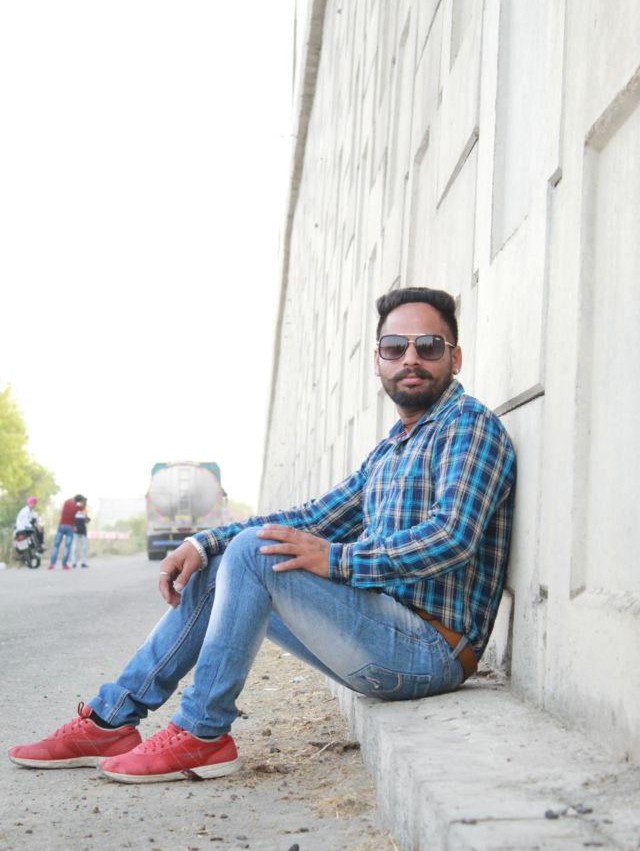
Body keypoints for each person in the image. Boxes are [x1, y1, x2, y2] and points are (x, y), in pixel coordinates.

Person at [8, 287, 516, 784]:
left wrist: (335, 561)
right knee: (223, 560)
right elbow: (311, 518)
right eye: (394, 347)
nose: (410, 358)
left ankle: (202, 732)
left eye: (428, 346)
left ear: (455, 358)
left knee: (252, 553)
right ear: (378, 361)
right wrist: (203, 542)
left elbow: (451, 537)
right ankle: (110, 720)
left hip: (430, 651)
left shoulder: (467, 424)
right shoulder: (391, 450)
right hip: (379, 633)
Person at [49, 495, 86, 570]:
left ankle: (52, 564)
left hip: (62, 526)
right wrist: (83, 501)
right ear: (79, 501)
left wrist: (77, 498)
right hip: (70, 528)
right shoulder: (77, 507)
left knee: (56, 545)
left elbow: (72, 499)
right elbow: (83, 507)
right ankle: (64, 565)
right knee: (67, 546)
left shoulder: (66, 502)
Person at [71, 499, 90, 569]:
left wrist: (86, 518)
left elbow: (86, 521)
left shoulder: (85, 510)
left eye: (85, 503)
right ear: (80, 503)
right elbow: (72, 519)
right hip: (75, 531)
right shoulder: (75, 510)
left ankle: (83, 563)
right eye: (83, 503)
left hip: (83, 531)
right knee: (75, 547)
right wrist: (73, 526)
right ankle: (74, 562)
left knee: (84, 548)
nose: (84, 504)